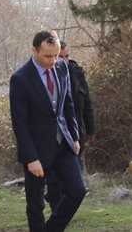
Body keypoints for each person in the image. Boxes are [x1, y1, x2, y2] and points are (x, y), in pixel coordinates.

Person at [10, 30, 86, 232]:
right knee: (36, 204)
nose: (53, 61)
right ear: (34, 51)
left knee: (77, 191)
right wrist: (30, 158)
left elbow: (68, 103)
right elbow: (19, 123)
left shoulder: (62, 68)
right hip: (36, 150)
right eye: (47, 56)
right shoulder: (20, 79)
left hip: (64, 144)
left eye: (56, 55)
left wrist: (74, 136)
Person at [45, 39, 95, 210]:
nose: (64, 60)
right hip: (54, 136)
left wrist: (90, 130)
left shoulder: (76, 73)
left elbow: (86, 103)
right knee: (54, 180)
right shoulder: (47, 76)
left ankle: (64, 211)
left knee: (75, 180)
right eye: (61, 56)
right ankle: (56, 210)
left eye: (67, 56)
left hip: (76, 134)